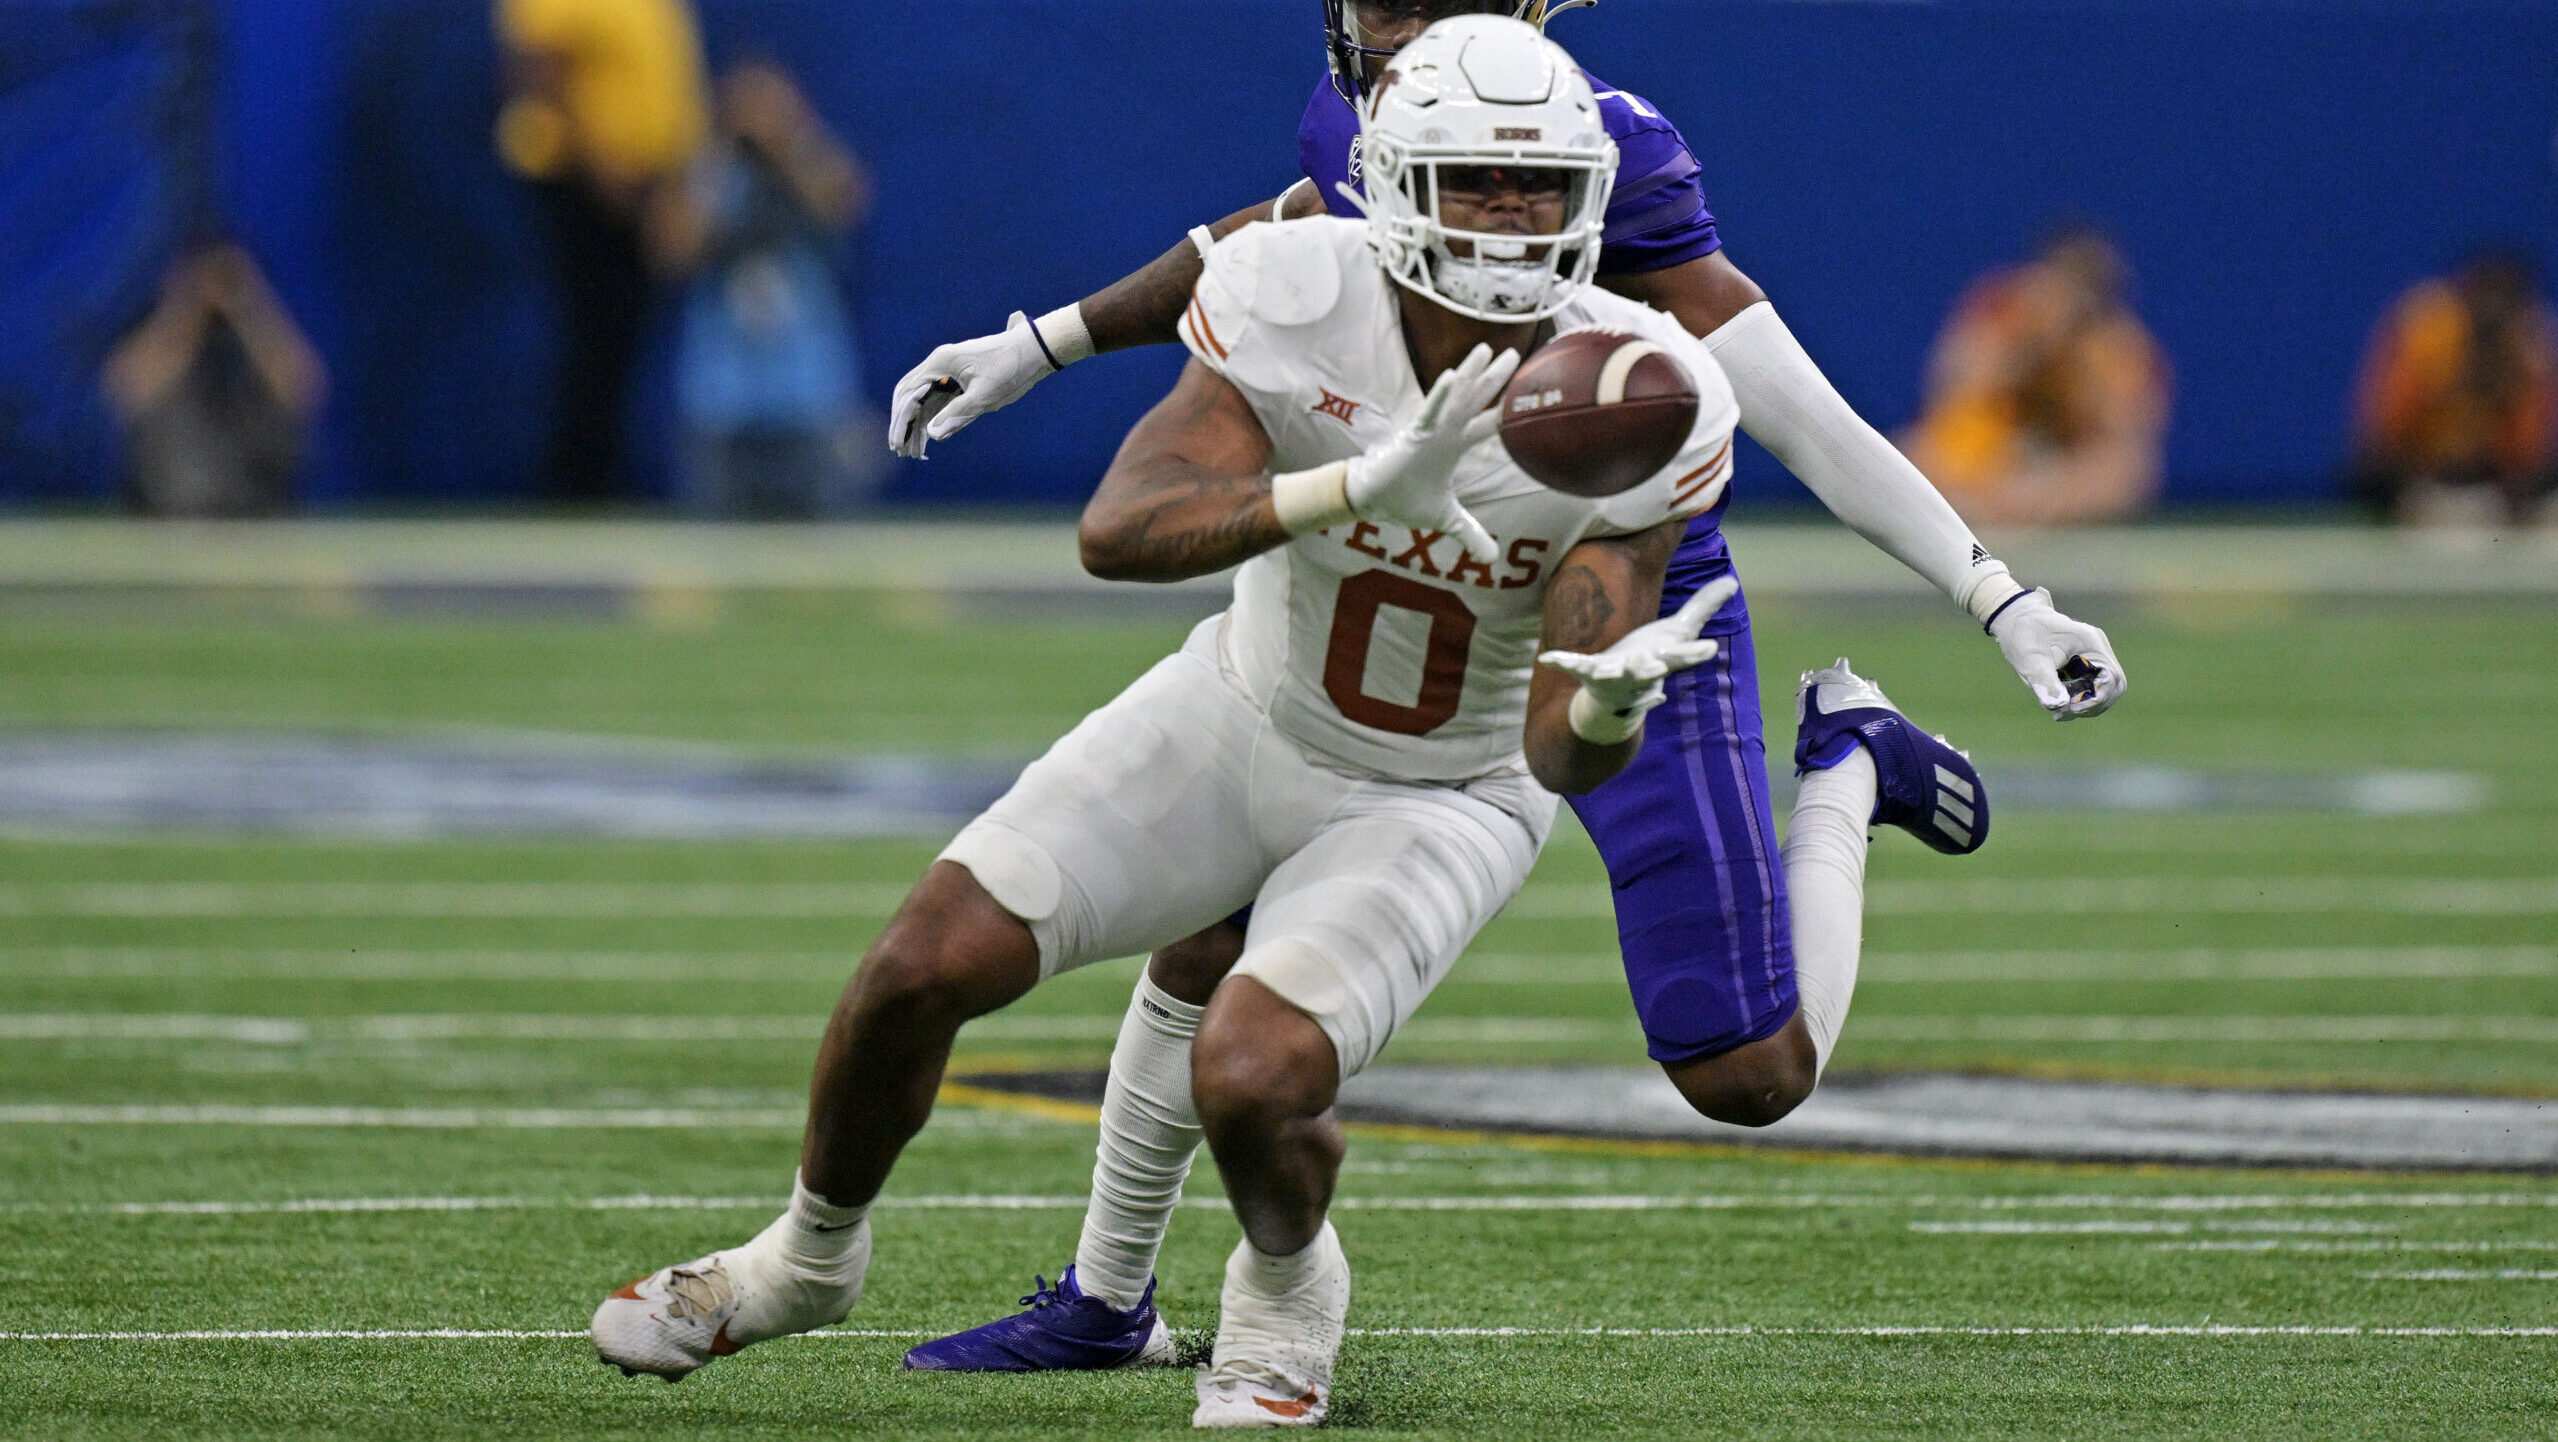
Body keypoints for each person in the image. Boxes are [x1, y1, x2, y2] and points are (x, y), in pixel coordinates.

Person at [595, 23, 1852, 1423]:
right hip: (1242, 709)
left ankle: (1288, 1282)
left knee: (1251, 1072)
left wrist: (1608, 696)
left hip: (1438, 790)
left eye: (1538, 189)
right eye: (1472, 184)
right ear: (1389, 179)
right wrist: (1355, 485)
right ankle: (807, 1258)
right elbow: (1119, 529)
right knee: (916, 964)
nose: (1508, 221)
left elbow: (1561, 744)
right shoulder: (1290, 286)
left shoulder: (1640, 393)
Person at [887, 0, 2126, 1374]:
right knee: (1210, 914)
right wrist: (1046, 340)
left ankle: (1846, 763)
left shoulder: (1610, 154)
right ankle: (1106, 1297)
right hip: (1410, 528)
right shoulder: (1381, 107)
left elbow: (1800, 412)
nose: (1399, 27)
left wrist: (1997, 596)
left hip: (1604, 564)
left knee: (1747, 1070)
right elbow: (1280, 226)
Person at [494, 0, 709, 505]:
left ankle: (600, 474)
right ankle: (576, 482)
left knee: (621, 331)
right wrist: (601, 168)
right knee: (595, 325)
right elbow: (540, 70)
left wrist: (674, 185)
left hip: (642, 185)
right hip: (581, 178)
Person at [651, 60, 878, 517]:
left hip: (811, 401)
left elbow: (846, 203)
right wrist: (717, 159)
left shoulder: (811, 165)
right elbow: (671, 250)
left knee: (824, 556)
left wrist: (790, 144)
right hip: (722, 403)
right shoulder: (710, 174)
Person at [1900, 227, 2172, 527]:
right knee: (1914, 456)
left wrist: (2083, 381)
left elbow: (2128, 448)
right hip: (1992, 460)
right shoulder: (1999, 316)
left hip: (2063, 470)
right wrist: (2026, 351)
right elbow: (1951, 398)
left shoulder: (2123, 351)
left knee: (2123, 473)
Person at [102, 240, 326, 517]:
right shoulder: (157, 341)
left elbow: (302, 384)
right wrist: (188, 304)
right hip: (169, 526)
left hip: (259, 526)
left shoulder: (256, 350)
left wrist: (246, 302)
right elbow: (128, 386)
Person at [2349, 250, 2558, 527]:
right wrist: (2448, 384)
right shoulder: (2430, 330)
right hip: (2422, 478)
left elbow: (2529, 456)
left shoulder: (2531, 344)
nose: (2491, 314)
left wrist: (2508, 392)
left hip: (2492, 483)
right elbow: (2384, 434)